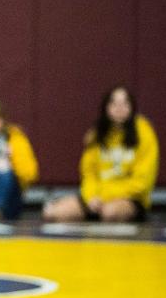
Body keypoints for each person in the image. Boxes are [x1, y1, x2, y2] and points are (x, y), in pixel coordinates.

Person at [43, 86, 159, 222]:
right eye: (114, 103)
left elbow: (141, 183)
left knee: (110, 212)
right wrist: (91, 196)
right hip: (95, 198)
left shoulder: (144, 133)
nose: (119, 108)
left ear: (132, 107)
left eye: (124, 103)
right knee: (55, 213)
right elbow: (88, 174)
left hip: (129, 198)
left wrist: (103, 196)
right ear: (106, 107)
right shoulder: (96, 134)